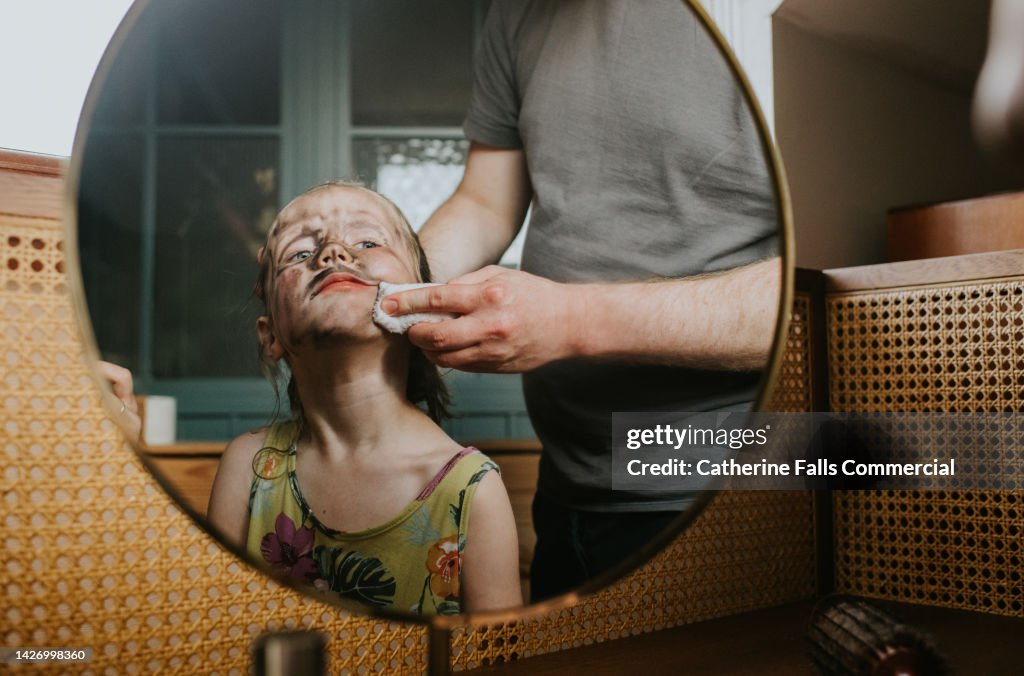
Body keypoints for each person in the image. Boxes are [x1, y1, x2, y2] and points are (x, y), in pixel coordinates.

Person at [379, 1, 782, 601]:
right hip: (568, 488)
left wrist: (570, 320)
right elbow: (486, 202)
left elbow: (824, 288)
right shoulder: (517, 13)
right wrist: (394, 284)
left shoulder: (770, 18)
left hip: (735, 493)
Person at [206, 182, 521, 615]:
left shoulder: (474, 491)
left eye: (367, 241)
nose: (333, 253)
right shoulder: (248, 467)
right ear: (270, 335)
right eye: (299, 253)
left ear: (421, 302)